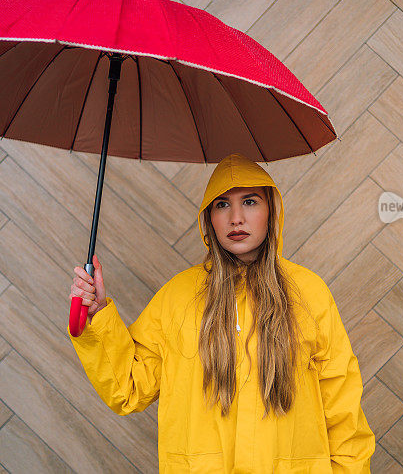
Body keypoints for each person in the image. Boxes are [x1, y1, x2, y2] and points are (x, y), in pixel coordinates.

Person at [68, 153, 375, 472]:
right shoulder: (178, 296)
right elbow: (127, 388)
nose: (236, 218)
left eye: (251, 202)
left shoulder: (309, 294)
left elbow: (343, 410)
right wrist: (97, 314)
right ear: (208, 218)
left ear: (272, 210)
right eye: (222, 204)